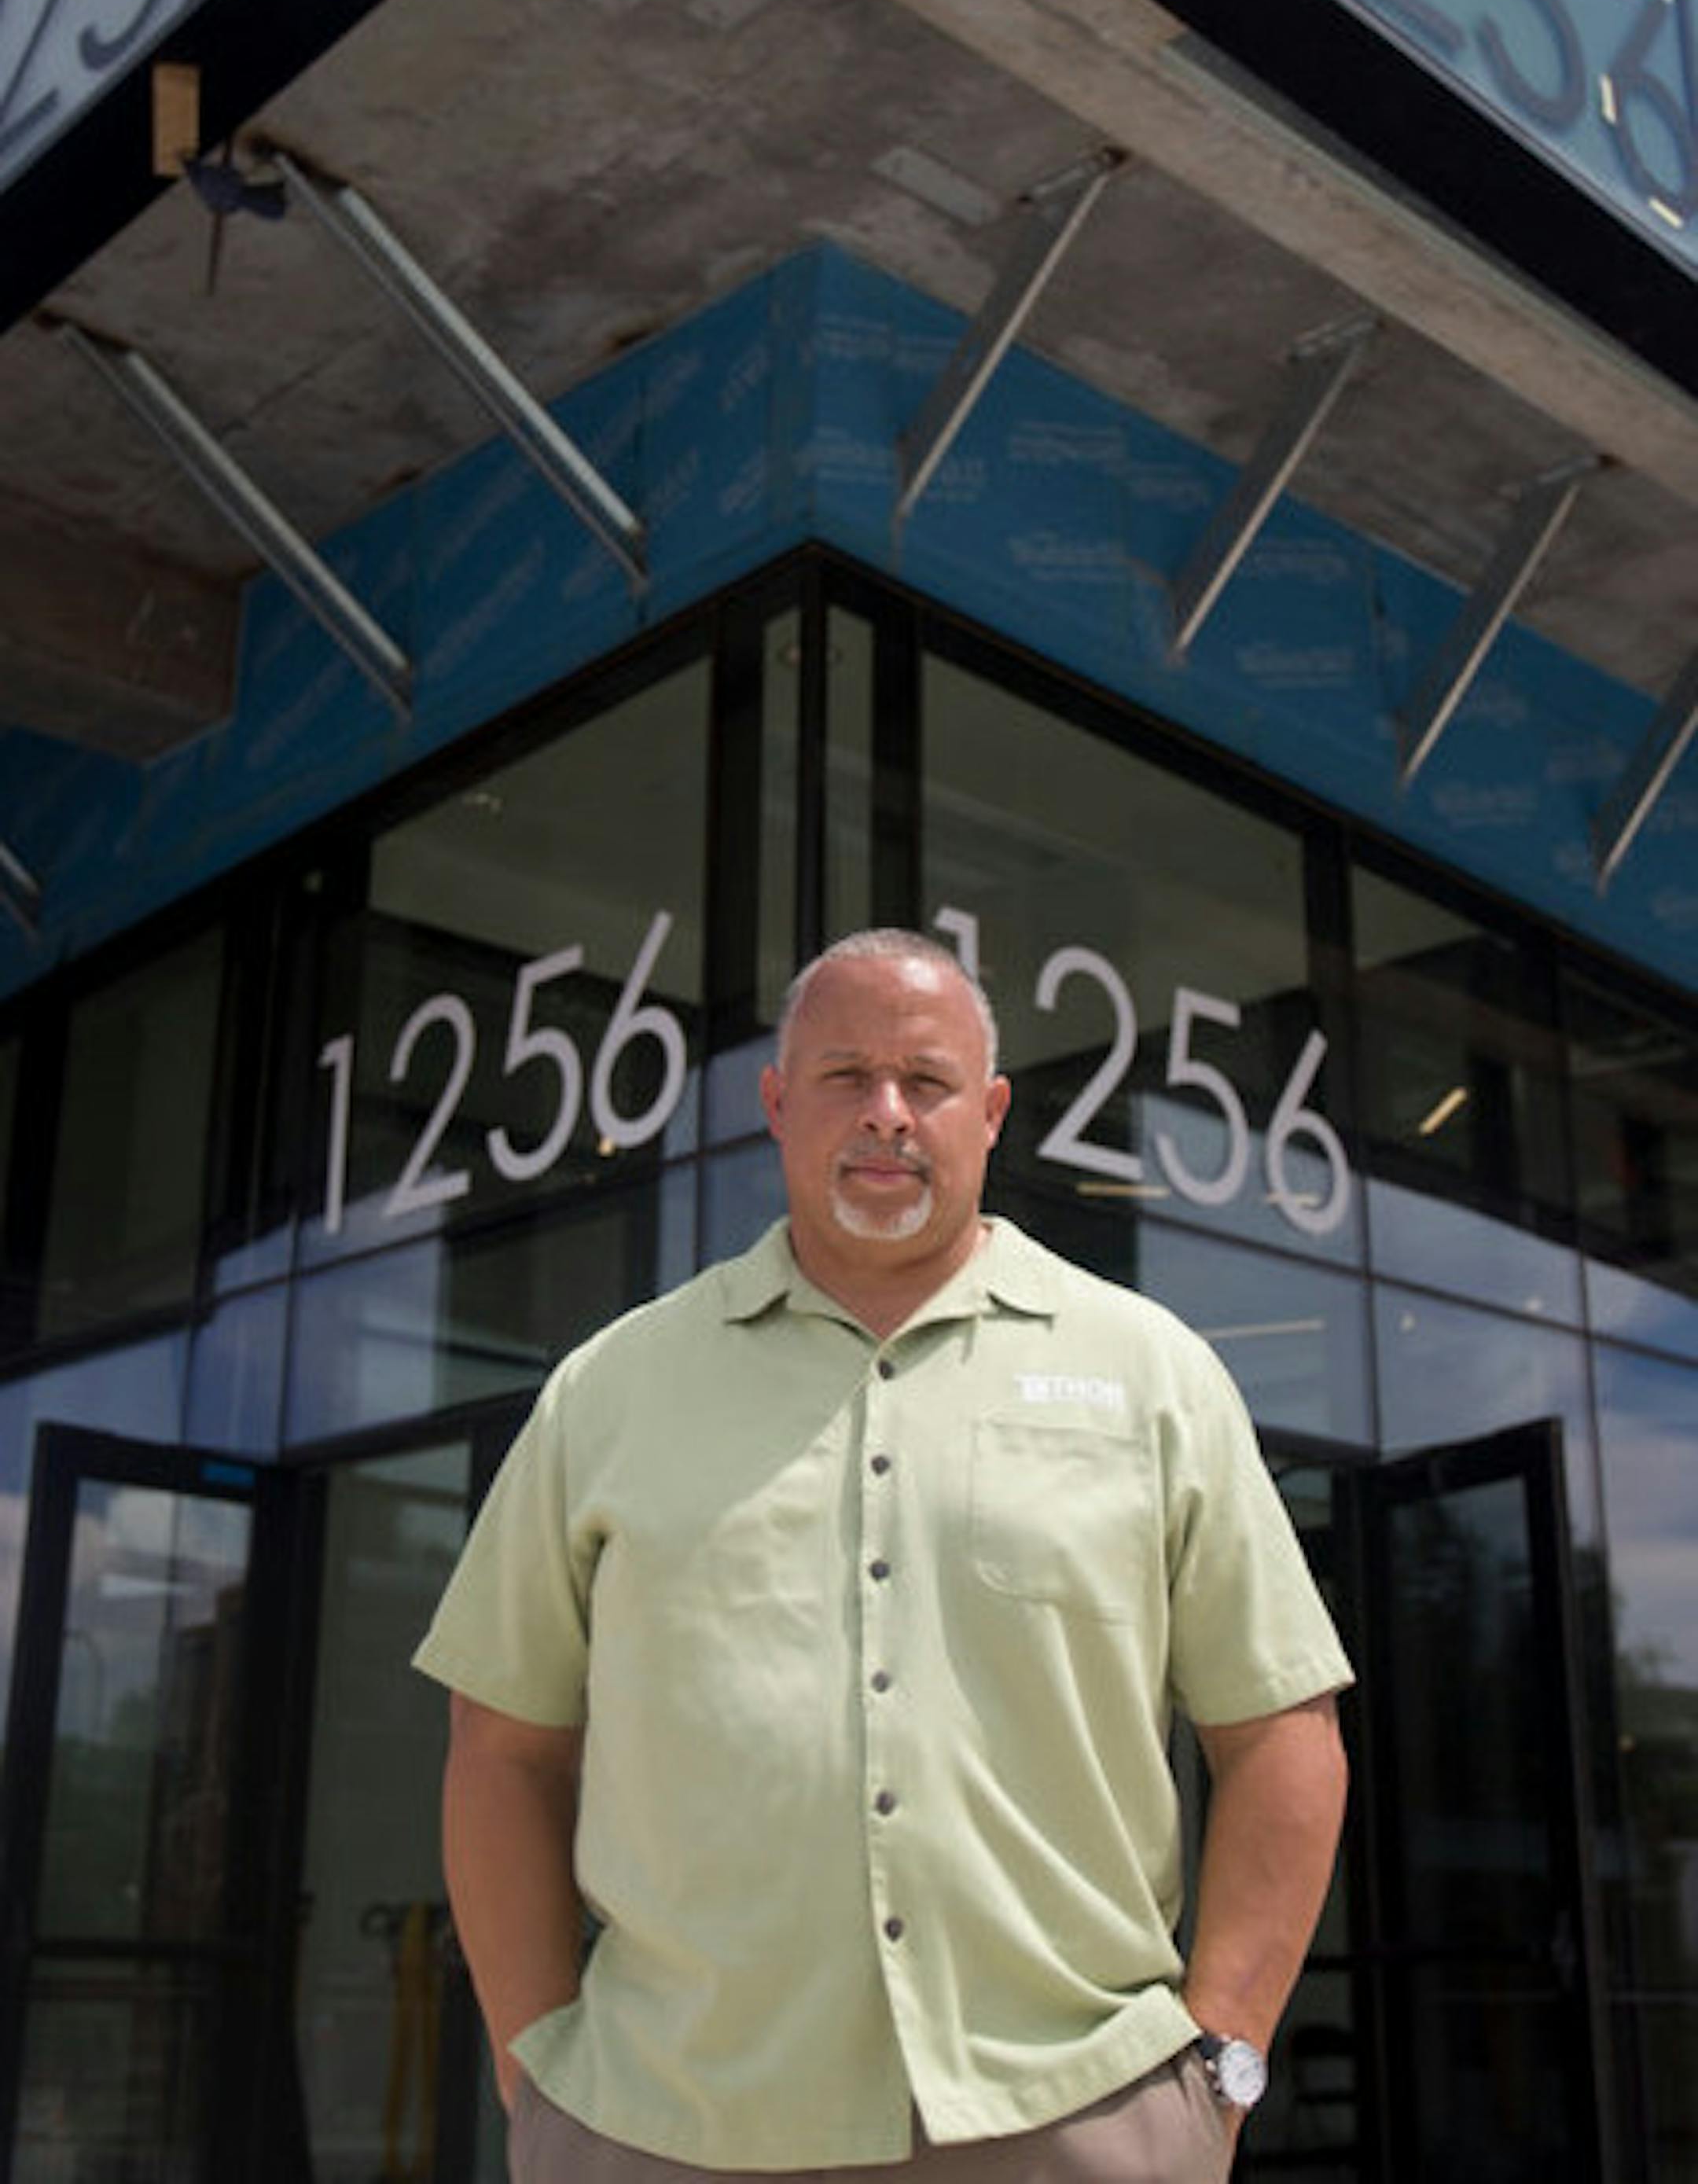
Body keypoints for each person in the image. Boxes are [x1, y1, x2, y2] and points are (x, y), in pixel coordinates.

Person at [414, 929, 1351, 2184]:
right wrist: (536, 2074)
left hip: (1073, 2127)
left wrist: (1220, 2073)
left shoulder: (1154, 1375)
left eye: (928, 1080)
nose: (888, 1116)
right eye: (846, 1076)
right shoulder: (610, 1388)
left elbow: (1283, 1734)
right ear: (777, 1103)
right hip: (662, 2127)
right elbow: (504, 1747)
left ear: (993, 1112)